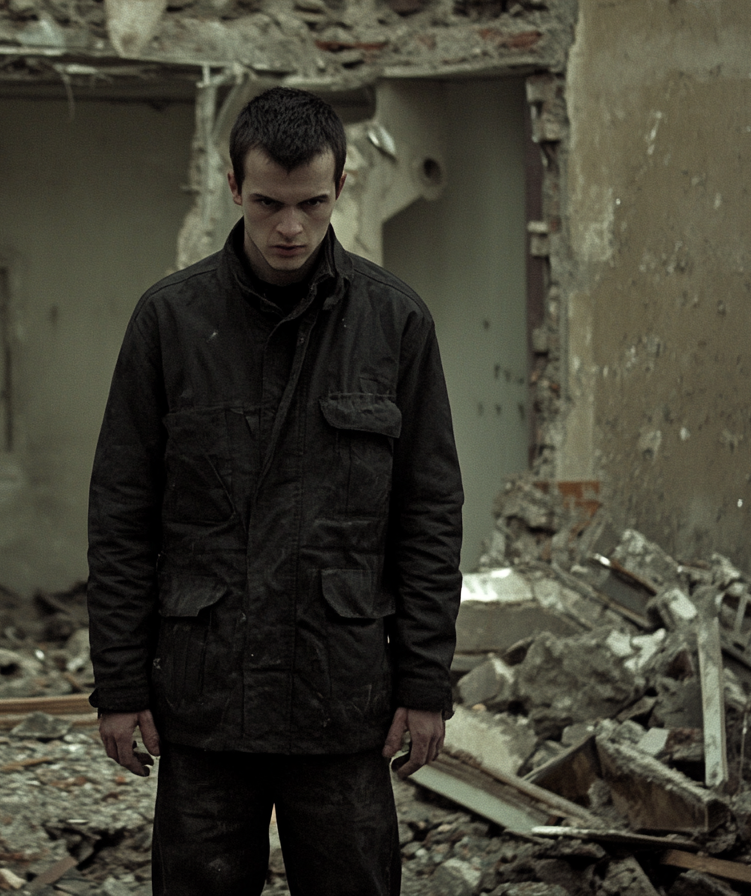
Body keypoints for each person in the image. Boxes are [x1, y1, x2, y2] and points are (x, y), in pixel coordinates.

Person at [85, 86, 463, 895]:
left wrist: (425, 684)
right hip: (206, 703)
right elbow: (121, 514)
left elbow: (429, 515)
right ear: (233, 189)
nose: (290, 228)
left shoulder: (395, 325)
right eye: (267, 204)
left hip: (341, 698)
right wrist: (118, 686)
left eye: (311, 204)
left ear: (341, 187)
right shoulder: (170, 323)